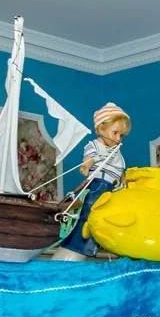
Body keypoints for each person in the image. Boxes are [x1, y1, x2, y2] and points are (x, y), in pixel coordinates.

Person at [51, 103, 130, 261]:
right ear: (101, 129)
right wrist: (87, 165)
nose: (118, 138)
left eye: (121, 135)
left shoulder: (116, 152)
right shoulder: (95, 145)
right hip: (98, 185)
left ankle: (98, 246)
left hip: (112, 190)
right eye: (115, 133)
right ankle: (76, 246)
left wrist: (124, 181)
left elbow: (119, 171)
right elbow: (90, 157)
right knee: (88, 215)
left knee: (107, 219)